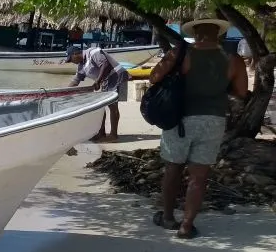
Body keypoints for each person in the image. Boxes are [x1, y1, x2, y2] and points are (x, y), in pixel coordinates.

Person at [149, 19, 248, 239]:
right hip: (213, 120)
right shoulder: (232, 60)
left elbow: (154, 77)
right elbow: (241, 92)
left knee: (173, 168)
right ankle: (186, 225)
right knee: (199, 176)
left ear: (195, 33)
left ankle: (167, 217)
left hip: (180, 119)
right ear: (219, 35)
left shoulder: (180, 54)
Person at [66, 45, 128, 142]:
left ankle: (113, 135)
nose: (72, 62)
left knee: (113, 106)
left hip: (116, 76)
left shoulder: (93, 52)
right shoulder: (81, 66)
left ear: (75, 54)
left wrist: (98, 81)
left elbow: (105, 64)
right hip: (105, 81)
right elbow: (76, 80)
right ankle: (101, 133)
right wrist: (64, 92)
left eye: (71, 59)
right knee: (100, 107)